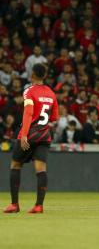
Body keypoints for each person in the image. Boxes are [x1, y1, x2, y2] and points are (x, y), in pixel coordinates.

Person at [4, 64, 59, 213]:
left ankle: (14, 205)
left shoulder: (29, 91)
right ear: (45, 75)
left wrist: (24, 135)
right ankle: (39, 205)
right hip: (44, 136)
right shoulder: (51, 93)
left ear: (32, 75)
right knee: (41, 169)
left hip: (30, 134)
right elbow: (54, 117)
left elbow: (28, 113)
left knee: (15, 165)